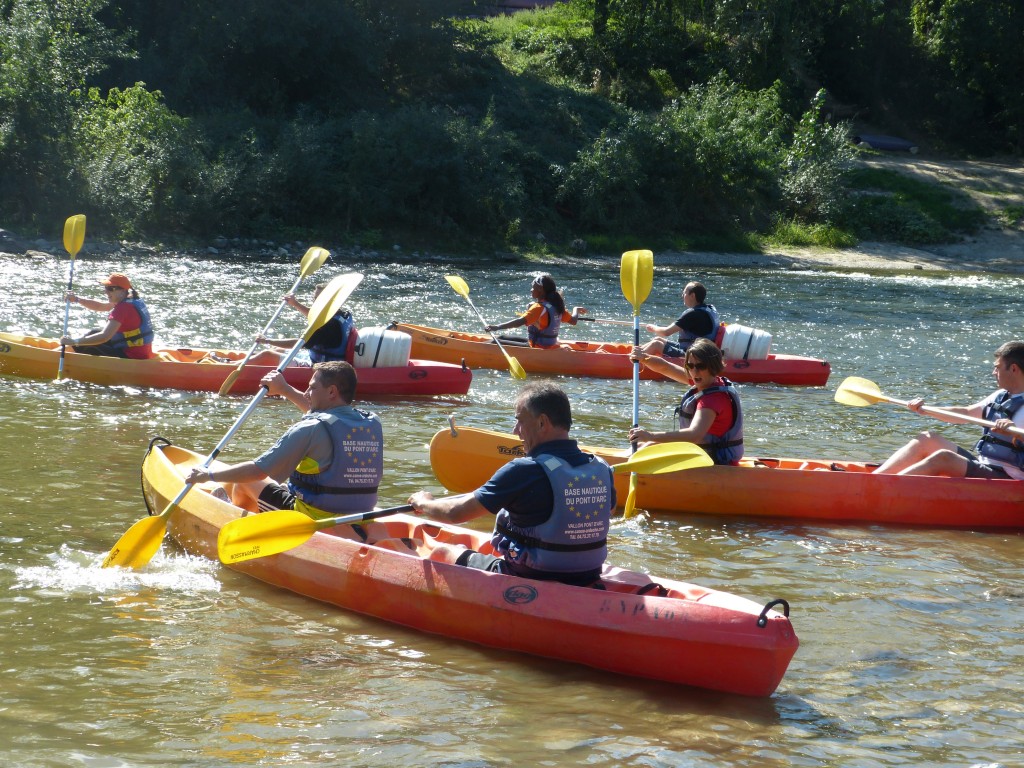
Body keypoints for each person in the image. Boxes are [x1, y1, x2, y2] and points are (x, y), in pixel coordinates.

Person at [407, 382, 615, 586]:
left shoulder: (523, 470)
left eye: (520, 421)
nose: (516, 431)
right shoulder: (600, 467)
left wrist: (424, 502)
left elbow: (455, 513)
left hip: (530, 576)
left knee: (445, 552)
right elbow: (609, 510)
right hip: (587, 575)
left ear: (542, 423)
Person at [185, 360, 384, 517]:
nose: (307, 393)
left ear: (332, 391)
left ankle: (232, 518)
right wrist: (284, 389)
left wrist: (207, 476)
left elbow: (257, 471)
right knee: (278, 484)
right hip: (358, 513)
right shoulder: (371, 422)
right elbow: (324, 420)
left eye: (312, 388)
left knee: (247, 483)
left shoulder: (311, 428)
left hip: (311, 516)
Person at [873, 341, 1024, 479]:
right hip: (985, 464)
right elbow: (966, 413)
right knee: (927, 439)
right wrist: (925, 409)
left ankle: (881, 490)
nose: (993, 373)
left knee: (944, 458)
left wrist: (1013, 432)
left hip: (1010, 476)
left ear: (1013, 368)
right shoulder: (1001, 395)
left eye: (997, 368)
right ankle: (873, 481)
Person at [628, 337, 744, 465]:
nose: (694, 371)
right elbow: (665, 367)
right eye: (690, 365)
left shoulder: (712, 401)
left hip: (715, 460)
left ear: (713, 366)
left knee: (649, 444)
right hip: (703, 453)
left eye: (701, 366)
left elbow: (694, 435)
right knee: (647, 444)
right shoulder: (705, 380)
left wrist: (651, 435)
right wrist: (644, 358)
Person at [257, 283, 356, 365]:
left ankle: (243, 371)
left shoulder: (328, 327)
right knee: (277, 349)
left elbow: (299, 343)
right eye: (315, 298)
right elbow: (315, 316)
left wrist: (267, 341)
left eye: (319, 299)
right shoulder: (342, 314)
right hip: (322, 360)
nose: (315, 302)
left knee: (267, 354)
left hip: (323, 368)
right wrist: (294, 303)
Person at [60, 273, 155, 359]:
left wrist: (74, 342)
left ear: (123, 291)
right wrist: (77, 299)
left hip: (132, 357)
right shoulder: (130, 299)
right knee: (94, 332)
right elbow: (101, 306)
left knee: (88, 345)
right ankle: (65, 350)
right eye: (106, 288)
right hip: (137, 351)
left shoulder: (123, 308)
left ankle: (65, 357)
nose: (106, 292)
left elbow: (104, 337)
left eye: (111, 289)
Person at [484, 274, 587, 348]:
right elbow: (573, 321)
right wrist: (575, 309)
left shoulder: (538, 308)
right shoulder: (556, 305)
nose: (531, 290)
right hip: (547, 344)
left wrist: (497, 327)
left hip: (537, 346)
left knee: (494, 341)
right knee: (502, 337)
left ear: (541, 290)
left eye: (533, 288)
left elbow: (519, 322)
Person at [640, 281, 719, 358]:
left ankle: (634, 362)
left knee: (656, 344)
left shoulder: (693, 314)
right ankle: (635, 354)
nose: (682, 295)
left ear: (692, 295)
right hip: (701, 351)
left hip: (694, 356)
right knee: (657, 339)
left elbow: (666, 332)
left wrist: (653, 328)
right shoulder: (709, 309)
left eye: (684, 293)